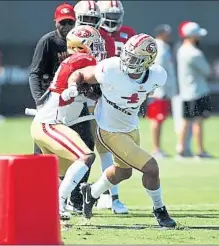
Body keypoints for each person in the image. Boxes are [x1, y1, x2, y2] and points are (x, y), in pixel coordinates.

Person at [67, 33, 177, 228]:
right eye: (126, 54)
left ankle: (90, 193)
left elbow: (142, 91)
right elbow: (81, 74)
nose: (127, 61)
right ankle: (160, 211)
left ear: (147, 62)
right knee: (151, 169)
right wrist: (72, 86)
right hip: (109, 131)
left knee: (123, 172)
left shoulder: (158, 75)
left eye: (134, 58)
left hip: (131, 127)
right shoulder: (110, 68)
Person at [31, 25, 106, 219]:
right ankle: (60, 203)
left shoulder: (77, 60)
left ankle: (40, 210)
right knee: (86, 156)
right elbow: (95, 88)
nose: (98, 49)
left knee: (60, 176)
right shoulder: (83, 59)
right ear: (80, 47)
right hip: (50, 124)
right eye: (94, 45)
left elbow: (93, 91)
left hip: (52, 123)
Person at [28, 3, 90, 214]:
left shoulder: (84, 44)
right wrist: (39, 99)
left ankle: (74, 197)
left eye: (70, 22)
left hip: (75, 104)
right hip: (53, 103)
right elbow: (35, 73)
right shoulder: (49, 41)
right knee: (44, 154)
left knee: (82, 147)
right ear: (56, 22)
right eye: (63, 22)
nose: (66, 26)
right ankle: (41, 197)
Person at [74, 0, 128, 213]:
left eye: (93, 20)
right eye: (85, 19)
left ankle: (110, 195)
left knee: (105, 147)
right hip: (73, 97)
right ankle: (69, 197)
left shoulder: (106, 38)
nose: (89, 24)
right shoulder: (66, 37)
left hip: (99, 96)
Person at [94, 0, 136, 211]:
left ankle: (111, 196)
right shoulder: (93, 32)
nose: (111, 18)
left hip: (119, 98)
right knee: (87, 149)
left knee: (109, 148)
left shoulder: (129, 33)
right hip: (93, 94)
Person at [176, 21, 213, 159]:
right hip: (197, 91)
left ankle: (181, 148)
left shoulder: (181, 50)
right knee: (198, 121)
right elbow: (207, 71)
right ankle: (200, 151)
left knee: (186, 121)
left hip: (186, 91)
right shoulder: (195, 53)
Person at [147, 24, 177, 159]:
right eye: (166, 33)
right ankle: (155, 148)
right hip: (158, 91)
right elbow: (156, 69)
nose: (169, 35)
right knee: (156, 120)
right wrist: (158, 89)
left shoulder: (165, 46)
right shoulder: (157, 47)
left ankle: (158, 148)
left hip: (164, 90)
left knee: (160, 120)